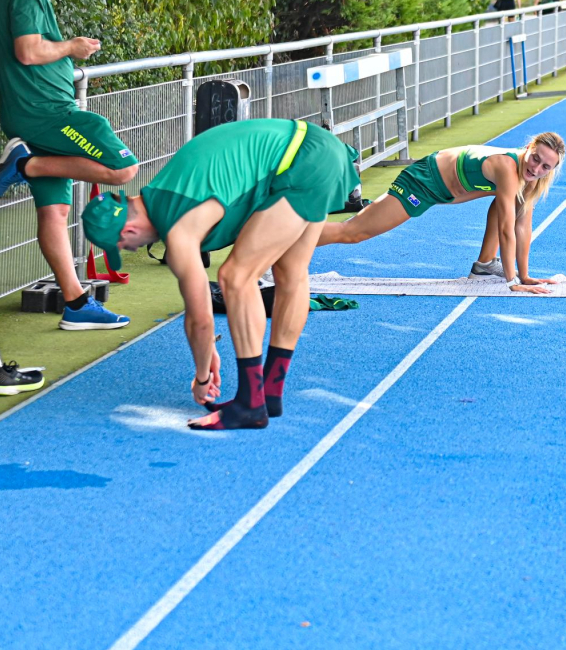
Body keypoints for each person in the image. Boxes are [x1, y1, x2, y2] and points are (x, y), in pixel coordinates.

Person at [82, 118, 362, 431]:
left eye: (123, 245)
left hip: (300, 163)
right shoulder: (165, 188)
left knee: (236, 276)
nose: (131, 250)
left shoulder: (177, 227)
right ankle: (269, 393)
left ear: (129, 229)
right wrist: (209, 350)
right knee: (291, 272)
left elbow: (200, 318)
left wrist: (202, 376)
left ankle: (250, 404)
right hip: (315, 147)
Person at [0, 0, 136, 330]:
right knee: (123, 168)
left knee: (54, 214)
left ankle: (75, 303)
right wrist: (71, 47)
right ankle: (25, 164)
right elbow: (28, 51)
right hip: (48, 114)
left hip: (34, 116)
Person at [318, 133, 566, 293]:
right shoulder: (507, 167)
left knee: (510, 203)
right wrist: (512, 283)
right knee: (353, 232)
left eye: (546, 167)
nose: (536, 168)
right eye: (535, 159)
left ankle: (485, 265)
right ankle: (287, 241)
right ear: (528, 147)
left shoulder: (529, 179)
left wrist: (525, 276)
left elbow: (522, 227)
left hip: (446, 191)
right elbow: (506, 228)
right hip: (423, 182)